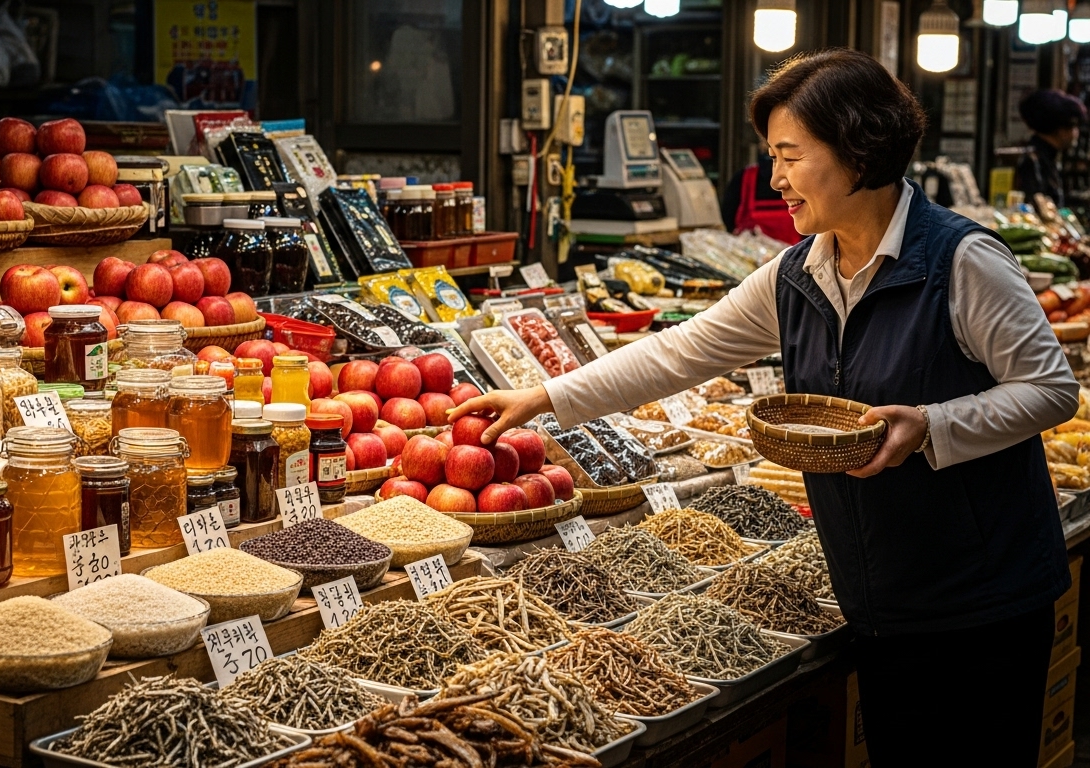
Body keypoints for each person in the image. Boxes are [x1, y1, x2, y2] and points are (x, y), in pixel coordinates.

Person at [452, 48, 1074, 767]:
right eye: (770, 155)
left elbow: (1049, 388)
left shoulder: (962, 262)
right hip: (878, 595)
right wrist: (544, 397)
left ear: (859, 148)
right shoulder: (797, 272)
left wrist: (931, 427)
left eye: (790, 154)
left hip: (981, 601)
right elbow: (679, 352)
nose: (773, 177)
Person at [1016, 88, 1086, 207]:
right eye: (1073, 126)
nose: (1076, 133)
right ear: (1060, 129)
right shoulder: (1034, 160)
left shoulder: (1046, 157)